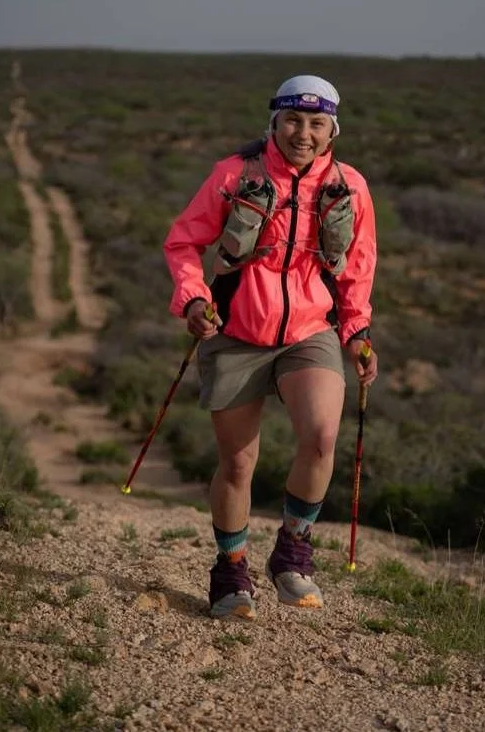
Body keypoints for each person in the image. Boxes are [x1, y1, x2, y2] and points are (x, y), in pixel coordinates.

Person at [163, 74, 378, 620]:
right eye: (292, 121)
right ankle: (231, 568)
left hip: (311, 331)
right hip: (235, 331)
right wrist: (192, 300)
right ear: (274, 121)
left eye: (316, 123)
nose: (302, 133)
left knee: (322, 437)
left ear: (333, 129)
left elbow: (357, 268)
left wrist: (355, 332)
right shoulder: (234, 175)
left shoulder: (350, 185)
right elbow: (184, 241)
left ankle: (292, 549)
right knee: (238, 463)